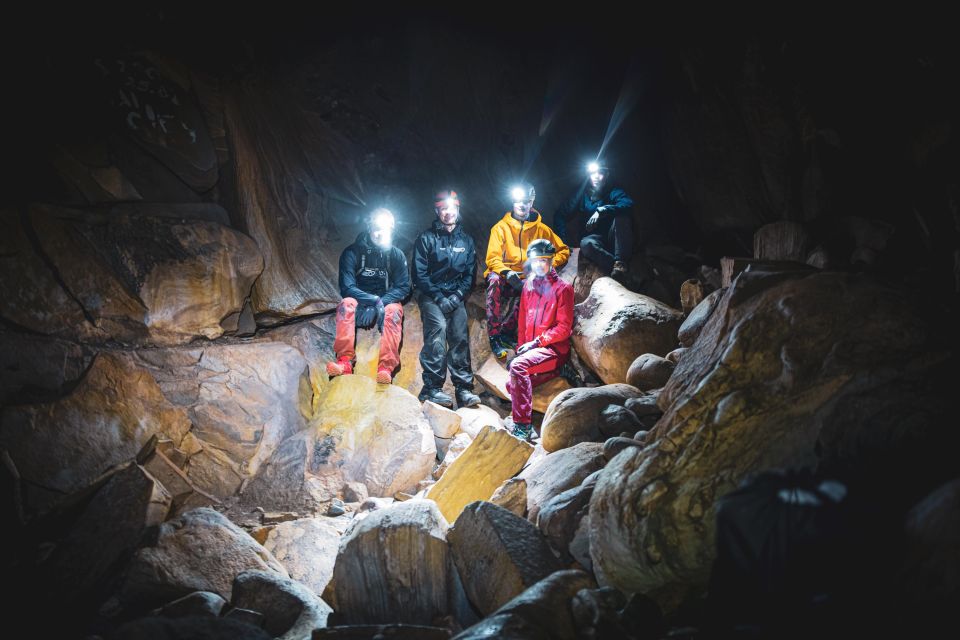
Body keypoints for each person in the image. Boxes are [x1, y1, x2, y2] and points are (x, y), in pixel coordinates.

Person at [484, 182, 570, 360]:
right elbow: (492, 258)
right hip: (504, 275)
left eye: (526, 201)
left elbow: (563, 250)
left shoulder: (542, 230)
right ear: (512, 203)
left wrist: (546, 266)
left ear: (532, 203)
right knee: (493, 280)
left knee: (532, 288)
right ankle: (494, 336)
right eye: (518, 201)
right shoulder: (500, 228)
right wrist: (507, 272)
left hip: (527, 278)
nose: (522, 205)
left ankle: (506, 332)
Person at [412, 190, 481, 409]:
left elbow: (469, 273)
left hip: (455, 296)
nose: (448, 213)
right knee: (437, 330)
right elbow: (419, 274)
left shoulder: (466, 241)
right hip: (432, 296)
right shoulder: (426, 239)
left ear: (458, 210)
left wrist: (458, 296)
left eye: (452, 208)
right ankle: (432, 388)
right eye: (443, 209)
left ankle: (463, 389)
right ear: (437, 211)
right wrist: (439, 297)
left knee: (460, 334)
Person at [326, 208, 411, 385]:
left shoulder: (396, 255)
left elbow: (403, 287)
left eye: (386, 230)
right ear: (369, 228)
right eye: (377, 229)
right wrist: (373, 301)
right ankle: (345, 361)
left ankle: (386, 368)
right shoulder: (352, 253)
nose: (381, 234)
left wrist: (381, 303)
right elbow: (347, 287)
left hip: (383, 302)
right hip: (361, 301)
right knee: (346, 304)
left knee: (394, 310)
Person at [505, 239, 574, 441]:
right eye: (535, 260)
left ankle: (523, 426)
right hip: (534, 350)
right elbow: (523, 321)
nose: (539, 265)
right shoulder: (528, 286)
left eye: (544, 260)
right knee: (512, 384)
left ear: (551, 260)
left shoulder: (563, 289)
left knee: (518, 369)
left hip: (553, 349)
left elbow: (564, 328)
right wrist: (522, 348)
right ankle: (556, 373)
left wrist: (536, 343)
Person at [553, 160, 635, 280]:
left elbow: (628, 204)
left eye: (600, 173)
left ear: (606, 175)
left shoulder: (613, 191)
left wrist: (603, 210)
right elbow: (560, 214)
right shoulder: (582, 194)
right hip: (594, 239)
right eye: (593, 173)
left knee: (621, 217)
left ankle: (621, 262)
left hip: (613, 237)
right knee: (586, 244)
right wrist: (563, 242)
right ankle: (617, 269)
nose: (596, 177)